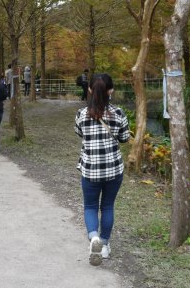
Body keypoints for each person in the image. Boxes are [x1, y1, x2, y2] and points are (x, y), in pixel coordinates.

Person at [74, 73, 130, 266]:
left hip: (90, 169)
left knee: (90, 206)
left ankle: (94, 238)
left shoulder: (82, 114)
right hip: (113, 170)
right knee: (107, 206)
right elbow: (124, 138)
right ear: (111, 91)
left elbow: (79, 132)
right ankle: (104, 245)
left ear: (89, 90)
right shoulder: (119, 113)